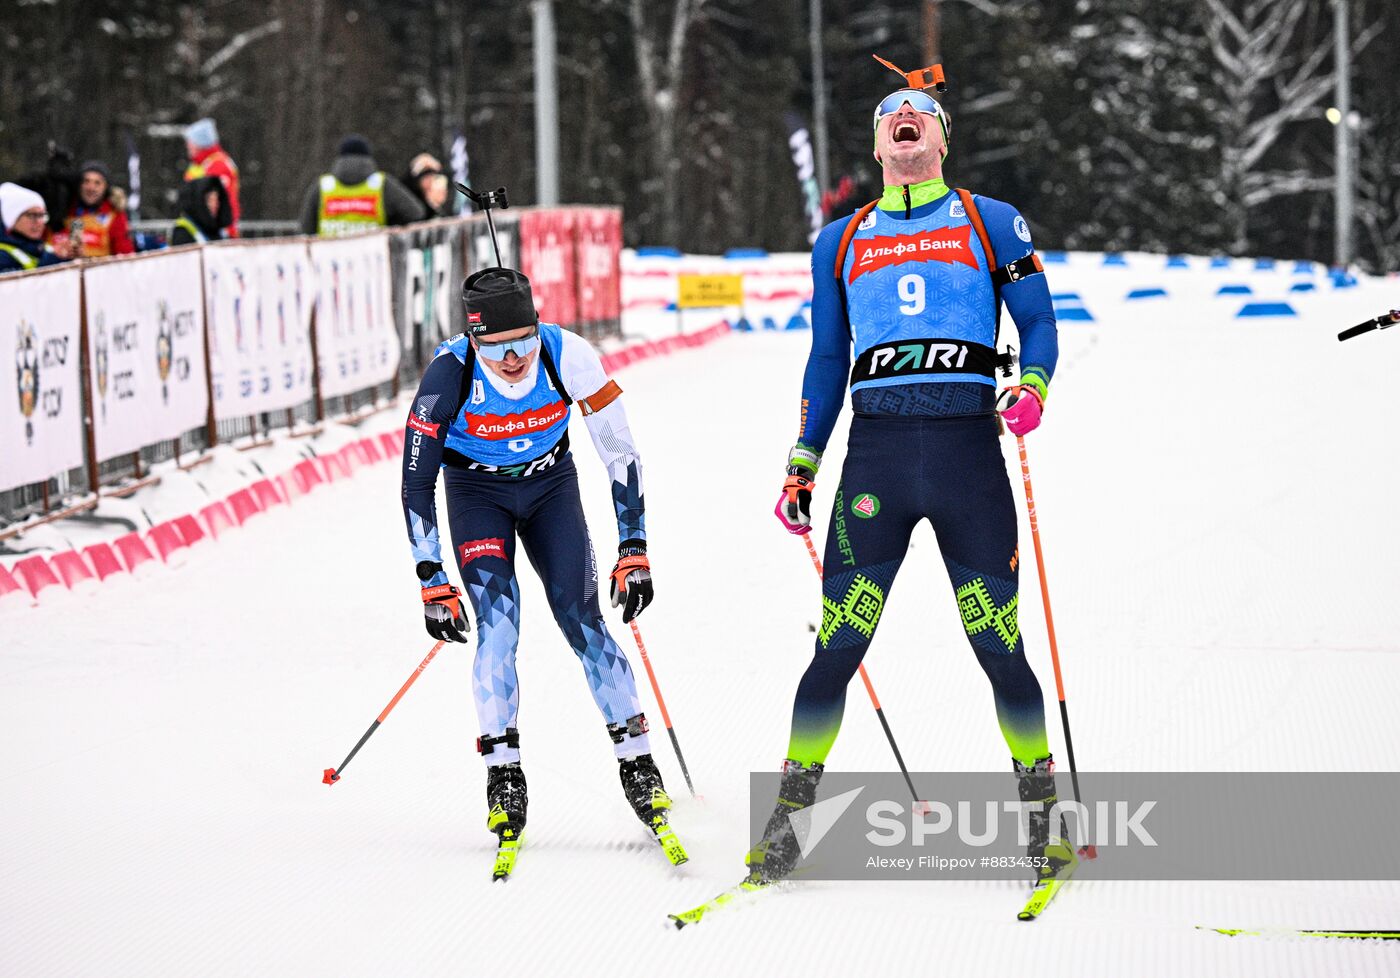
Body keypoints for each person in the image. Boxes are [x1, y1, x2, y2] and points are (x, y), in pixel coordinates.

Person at [749, 78, 1066, 886]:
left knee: (998, 644)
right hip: (876, 467)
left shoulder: (991, 221)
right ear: (877, 142)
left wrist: (1031, 387)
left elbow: (1038, 322)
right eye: (887, 116)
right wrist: (803, 461)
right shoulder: (840, 239)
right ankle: (788, 820)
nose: (902, 121)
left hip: (967, 460)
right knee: (837, 647)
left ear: (943, 137)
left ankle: (1043, 816)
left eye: (917, 115)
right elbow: (827, 356)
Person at [399, 266, 686, 876]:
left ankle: (639, 765)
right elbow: (416, 484)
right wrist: (434, 582)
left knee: (583, 619)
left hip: (551, 489)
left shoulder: (567, 353)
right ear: (474, 340)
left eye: (523, 339)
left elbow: (620, 451)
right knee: (498, 631)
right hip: (476, 496)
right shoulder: (448, 374)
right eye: (497, 346)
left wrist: (633, 547)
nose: (513, 357)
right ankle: (504, 777)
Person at [298, 135, 425, 237]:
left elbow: (306, 227)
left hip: (328, 261)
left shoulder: (323, 186)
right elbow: (416, 213)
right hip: (373, 259)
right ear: (368, 158)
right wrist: (390, 224)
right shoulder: (382, 184)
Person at [183, 118, 241, 237]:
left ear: (200, 143)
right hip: (201, 227)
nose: (187, 145)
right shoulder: (199, 164)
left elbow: (218, 201)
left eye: (190, 141)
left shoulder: (218, 165)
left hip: (218, 230)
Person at [0, 183, 75, 273]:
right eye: (33, 215)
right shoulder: (3, 255)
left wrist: (70, 257)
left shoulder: (45, 247)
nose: (39, 222)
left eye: (42, 215)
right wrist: (52, 260)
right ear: (13, 219)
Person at [64, 161, 134, 257]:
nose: (91, 188)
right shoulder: (65, 211)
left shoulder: (114, 215)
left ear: (106, 187)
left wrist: (87, 257)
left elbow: (125, 257)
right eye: (86, 181)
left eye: (97, 183)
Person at [170, 175, 232, 246]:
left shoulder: (221, 231)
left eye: (217, 200)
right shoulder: (183, 230)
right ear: (199, 202)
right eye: (210, 200)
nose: (215, 205)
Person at [404, 153, 452, 218]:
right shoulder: (411, 207)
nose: (430, 182)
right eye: (426, 176)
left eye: (435, 177)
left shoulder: (444, 212)